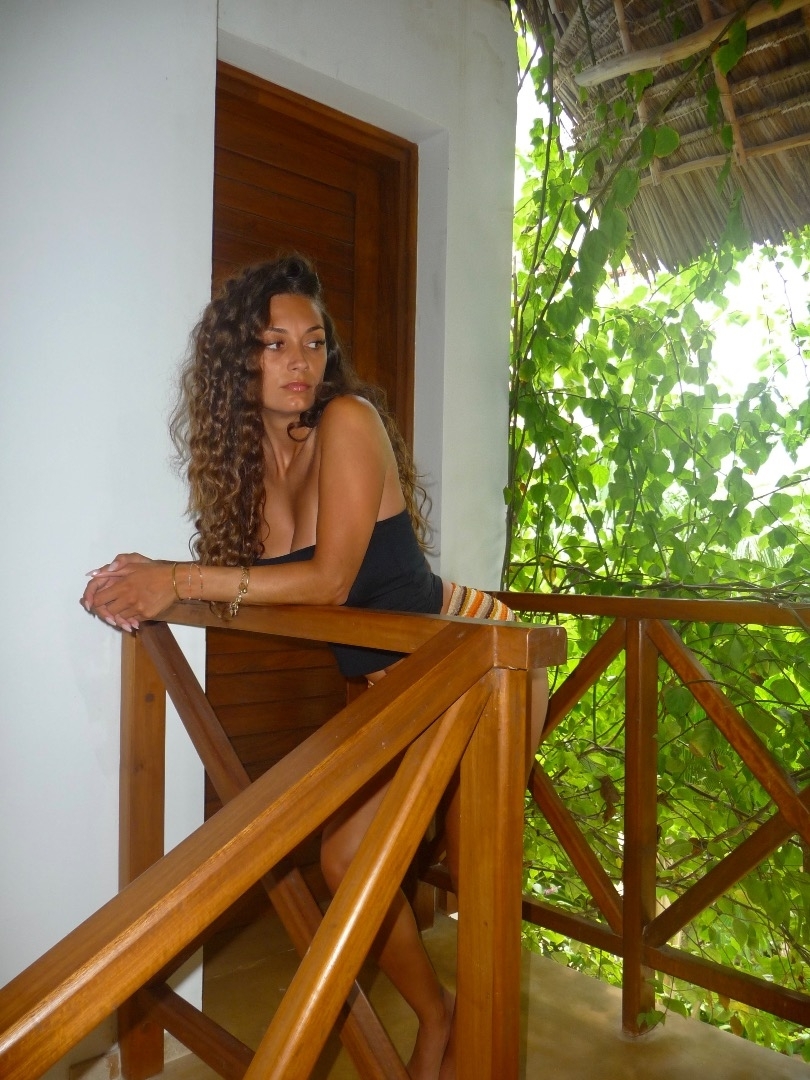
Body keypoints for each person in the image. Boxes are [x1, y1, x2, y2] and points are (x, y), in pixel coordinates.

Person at [81, 254, 548, 1080]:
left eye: (314, 342)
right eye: (275, 344)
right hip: (393, 690)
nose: (300, 362)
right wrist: (147, 584)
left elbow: (329, 581)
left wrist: (177, 580)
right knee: (348, 861)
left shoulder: (349, 422)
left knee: (472, 873)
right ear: (239, 360)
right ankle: (438, 1018)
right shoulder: (251, 466)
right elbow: (264, 593)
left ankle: (474, 1045)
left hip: (480, 661)